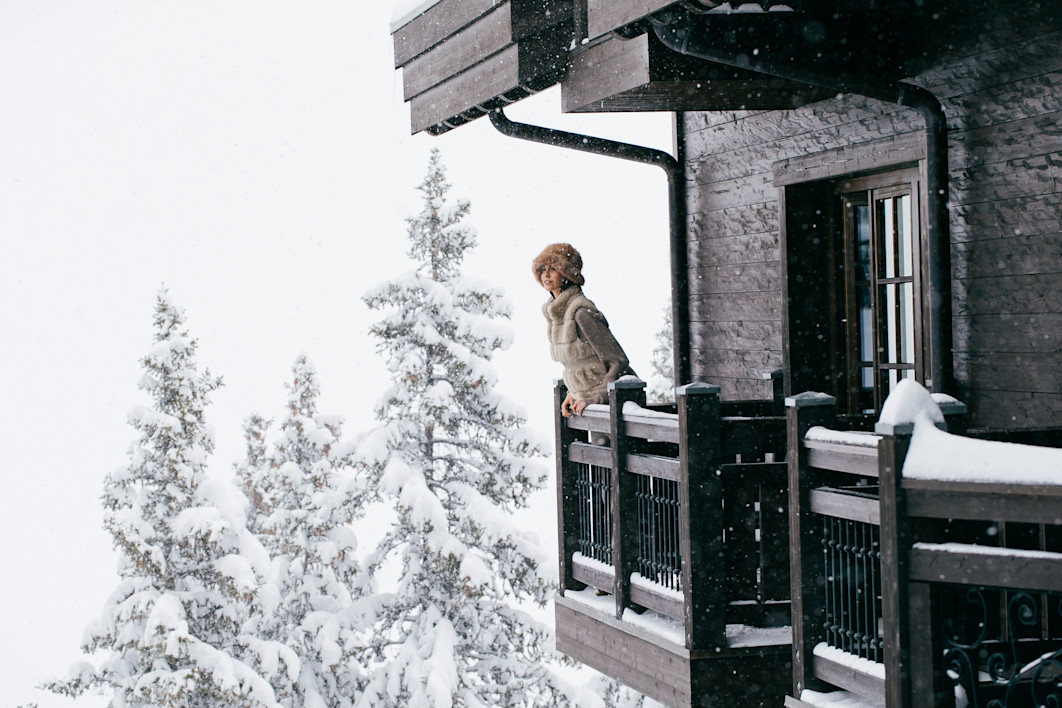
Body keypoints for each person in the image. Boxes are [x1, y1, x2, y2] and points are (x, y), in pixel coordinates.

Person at [532, 243, 636, 417]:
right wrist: (573, 392)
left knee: (605, 445)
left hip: (613, 406)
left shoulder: (581, 313)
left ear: (566, 274)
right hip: (589, 405)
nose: (546, 274)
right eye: (543, 269)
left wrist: (596, 397)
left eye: (553, 269)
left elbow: (618, 362)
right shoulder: (557, 314)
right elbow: (580, 362)